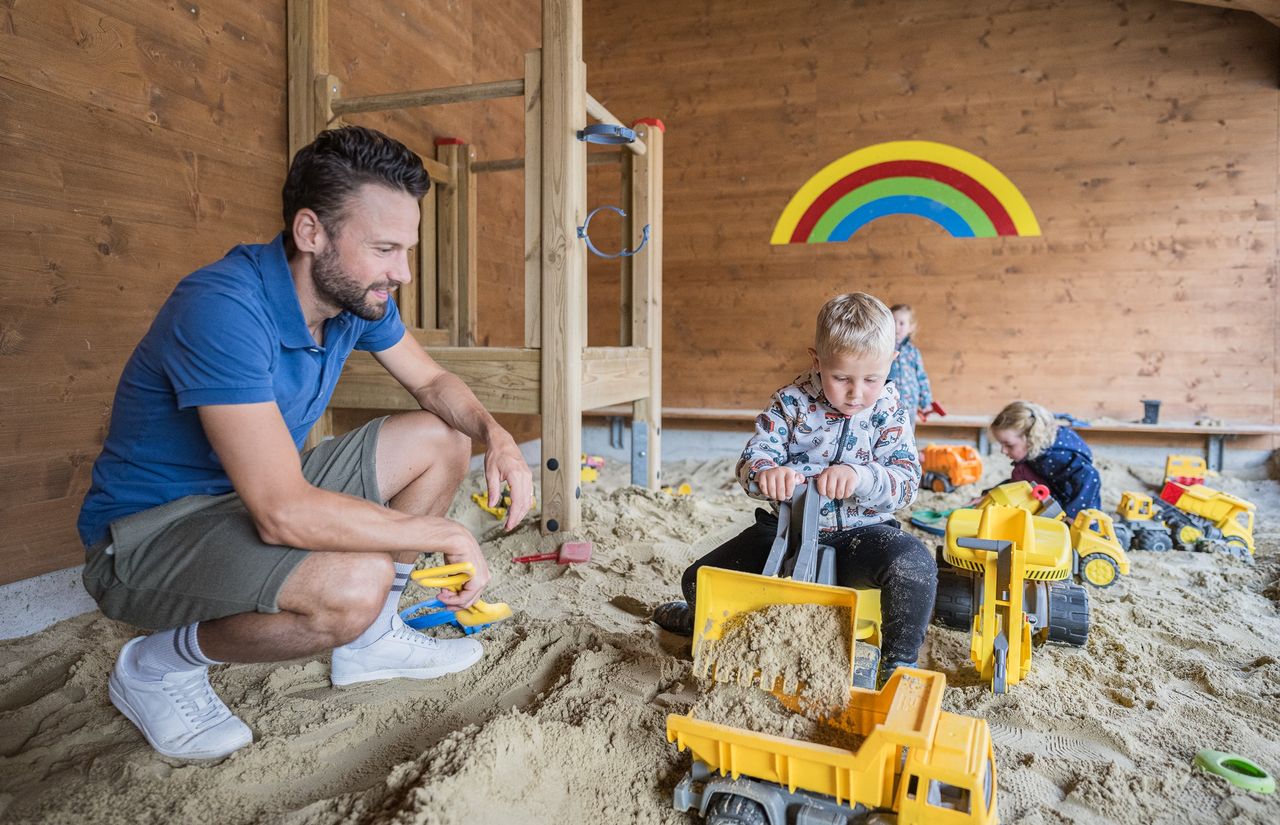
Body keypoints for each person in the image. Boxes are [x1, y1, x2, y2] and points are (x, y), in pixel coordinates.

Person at [76, 125, 533, 761]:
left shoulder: (355, 295)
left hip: (248, 497)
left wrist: (496, 435)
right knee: (353, 583)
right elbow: (282, 509)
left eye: (407, 250)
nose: (400, 273)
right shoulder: (223, 307)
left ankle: (370, 640)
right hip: (146, 536)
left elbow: (430, 381)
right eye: (383, 249)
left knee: (445, 437)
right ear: (311, 232)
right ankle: (153, 667)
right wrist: (445, 535)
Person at [653, 293, 935, 686]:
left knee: (915, 563)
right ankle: (692, 617)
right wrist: (767, 472)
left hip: (862, 535)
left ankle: (898, 664)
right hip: (788, 532)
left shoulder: (889, 410)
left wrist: (862, 476)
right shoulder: (791, 402)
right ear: (816, 360)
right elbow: (752, 460)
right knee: (697, 580)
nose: (856, 393)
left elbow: (906, 484)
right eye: (842, 378)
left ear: (891, 363)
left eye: (871, 379)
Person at [989, 401, 1101, 518]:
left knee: (1021, 471)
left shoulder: (1056, 456)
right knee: (1020, 471)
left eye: (1009, 445)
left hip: (1070, 505)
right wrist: (991, 494)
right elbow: (1019, 482)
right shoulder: (1037, 447)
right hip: (1052, 487)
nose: (1003, 451)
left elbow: (1090, 475)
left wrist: (1073, 515)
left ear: (1031, 438)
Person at [886, 303, 933, 422]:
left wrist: (926, 402)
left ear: (911, 327)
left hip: (910, 405)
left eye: (901, 323)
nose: (896, 327)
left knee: (907, 436)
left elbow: (921, 377)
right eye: (893, 322)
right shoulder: (883, 349)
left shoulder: (913, 352)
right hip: (888, 404)